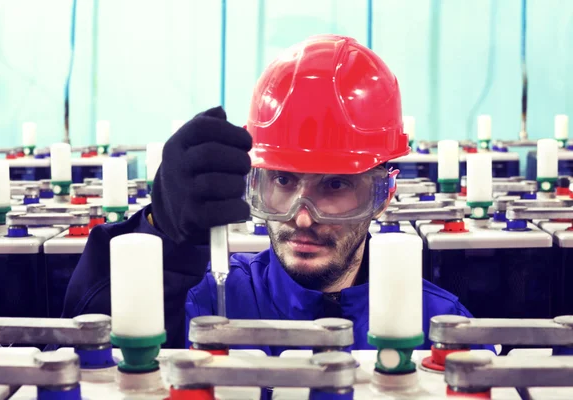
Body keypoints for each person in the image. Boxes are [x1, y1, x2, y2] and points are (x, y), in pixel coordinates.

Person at [62, 34, 477, 355]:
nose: (301, 217)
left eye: (334, 185)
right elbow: (83, 353)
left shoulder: (437, 324)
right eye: (282, 181)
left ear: (383, 194)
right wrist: (160, 234)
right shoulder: (211, 296)